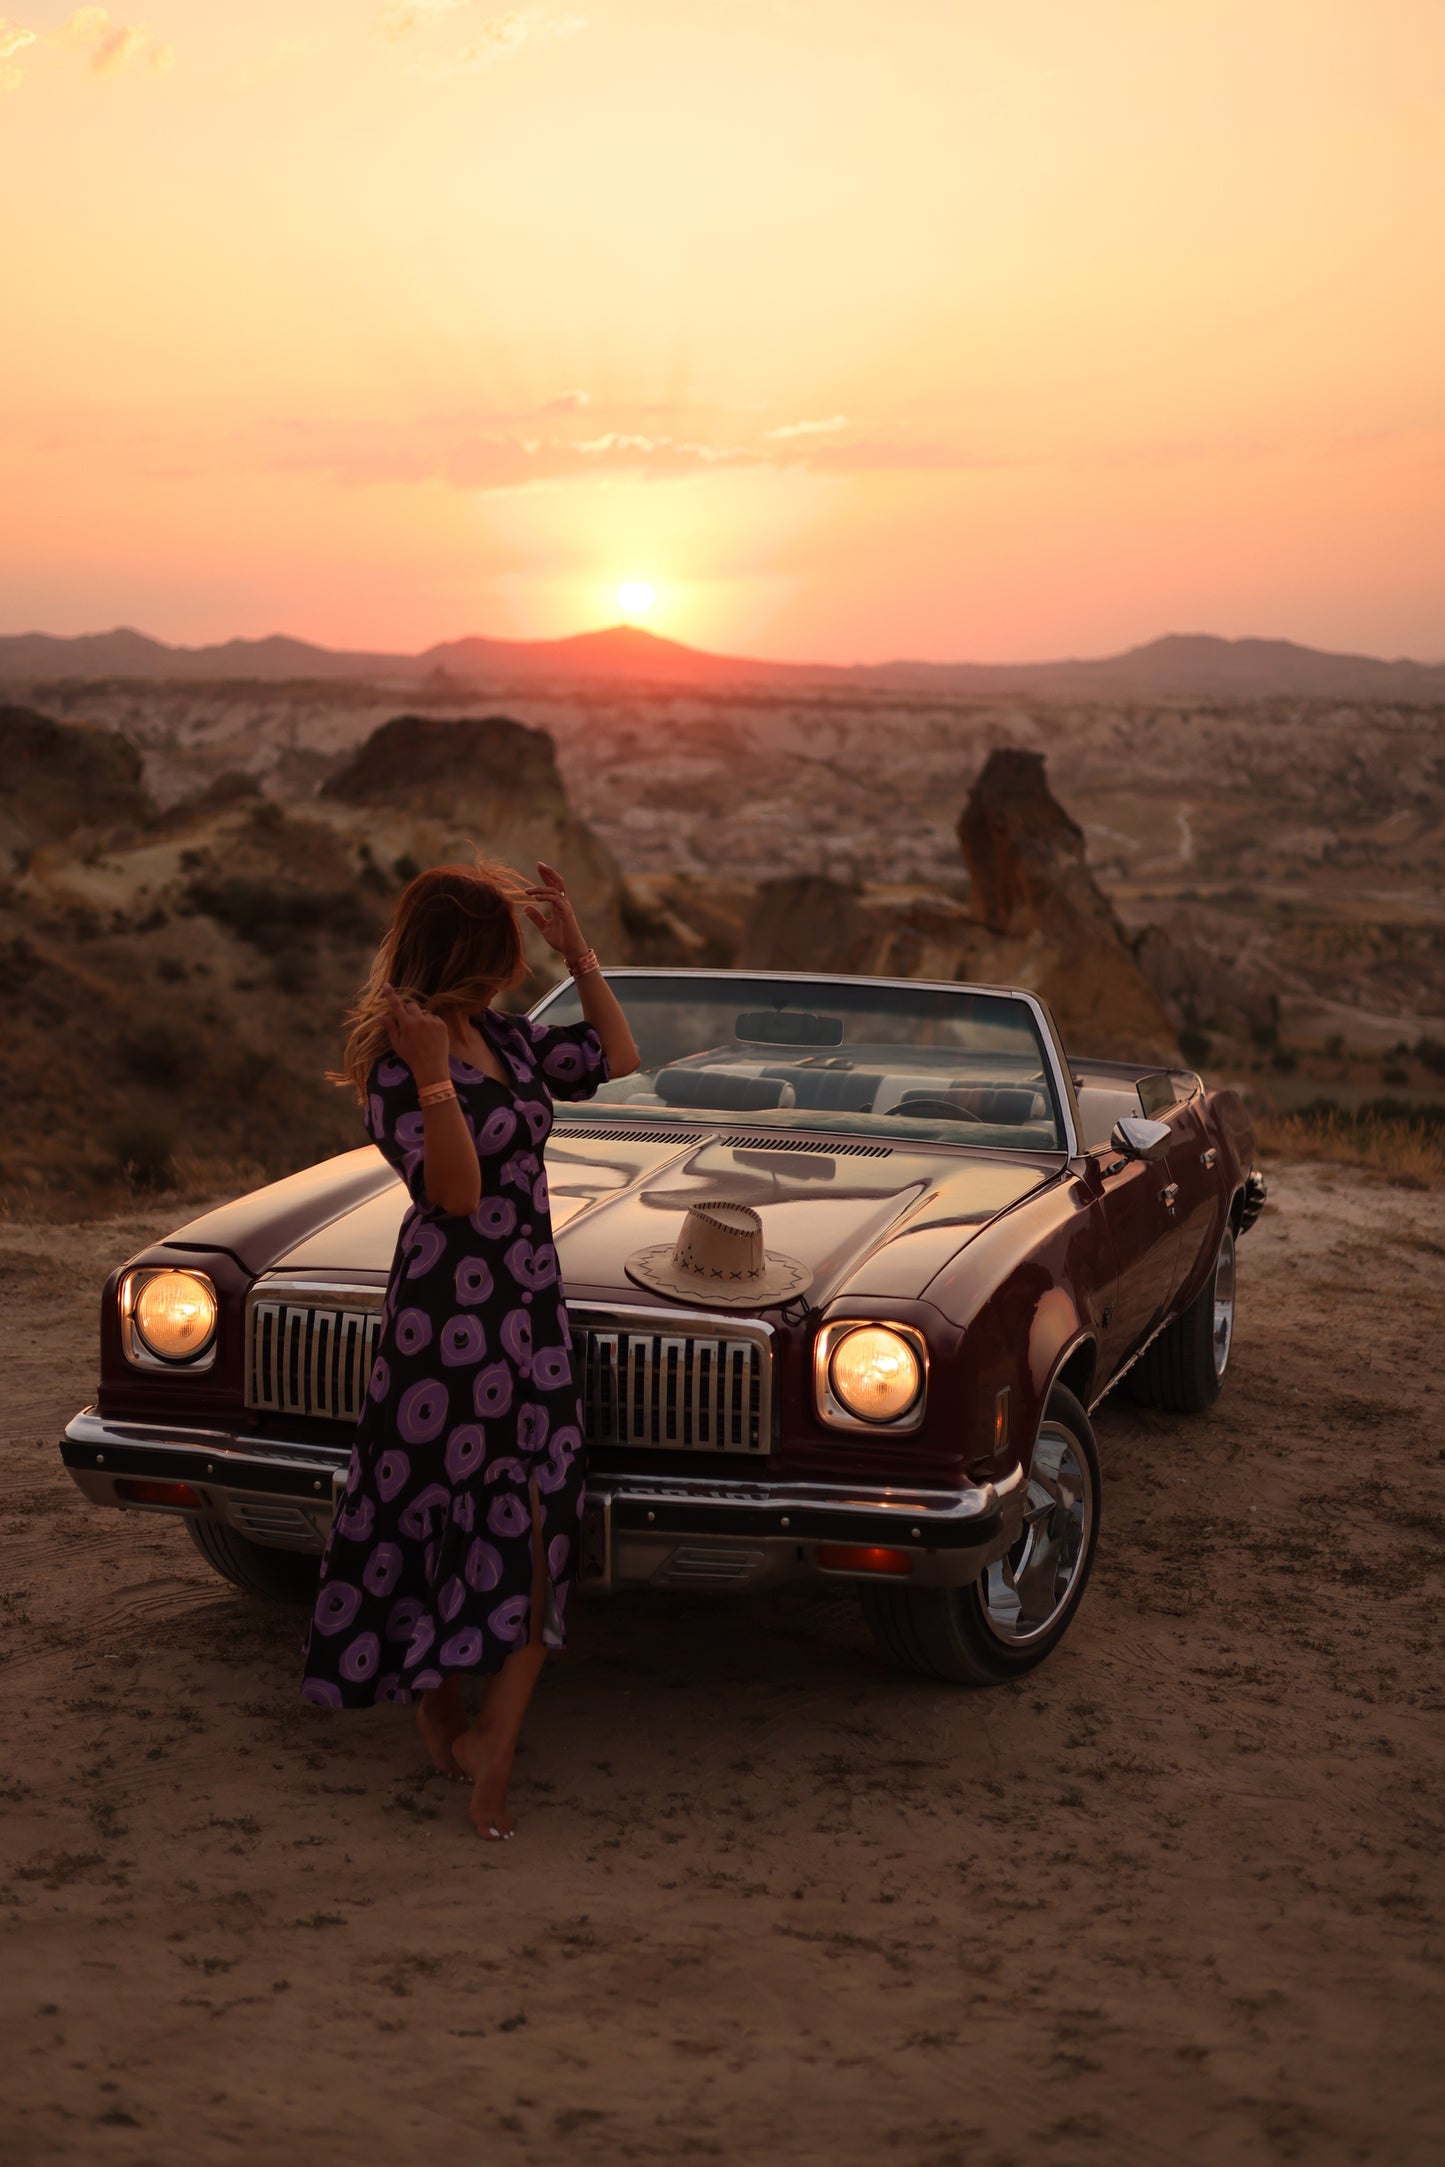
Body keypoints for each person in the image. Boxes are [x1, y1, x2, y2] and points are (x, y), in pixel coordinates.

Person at [300, 859, 639, 1839]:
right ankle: (441, 1706)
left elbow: (616, 1057)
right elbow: (450, 1192)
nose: (518, 964)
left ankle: (492, 1732)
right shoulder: (395, 1056)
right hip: (442, 1322)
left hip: (529, 1307)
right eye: (510, 950)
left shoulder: (504, 1033)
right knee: (426, 1511)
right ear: (469, 952)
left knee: (540, 1520)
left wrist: (581, 949)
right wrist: (439, 1079)